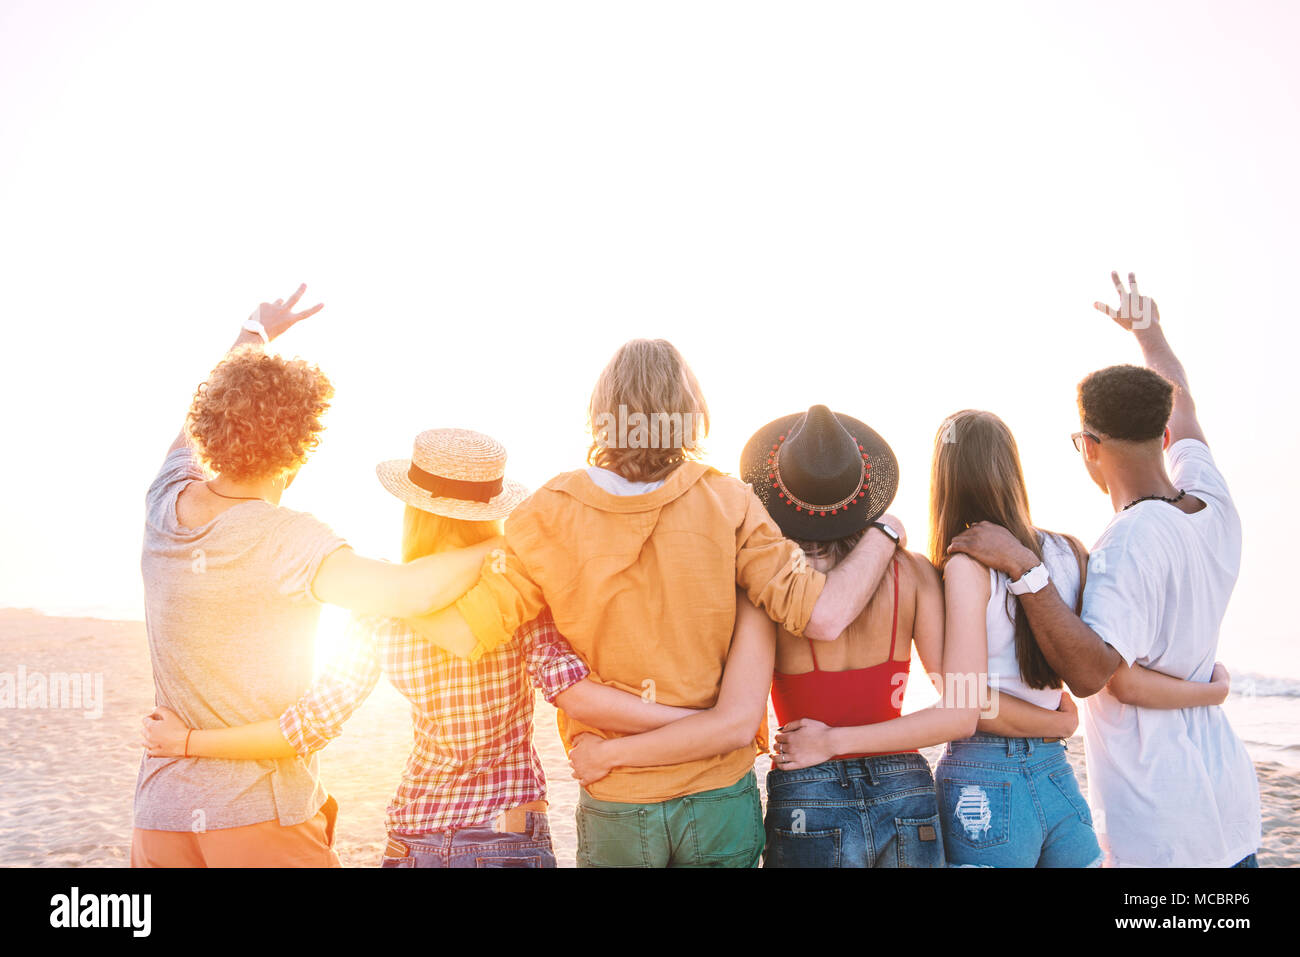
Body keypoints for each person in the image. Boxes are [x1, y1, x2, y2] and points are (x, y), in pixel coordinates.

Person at [407, 341, 903, 867]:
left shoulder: (546, 513)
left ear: (601, 414)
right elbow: (824, 615)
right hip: (717, 791)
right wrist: (886, 533)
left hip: (618, 794)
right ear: (691, 413)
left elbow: (465, 633)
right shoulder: (728, 501)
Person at [143, 428, 706, 867]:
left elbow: (308, 726)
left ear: (413, 508)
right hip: (506, 830)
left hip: (415, 836)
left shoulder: (381, 602)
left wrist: (190, 740)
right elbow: (572, 690)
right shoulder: (516, 591)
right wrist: (683, 721)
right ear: (492, 510)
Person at [133, 289, 497, 868]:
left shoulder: (165, 497)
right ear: (299, 449)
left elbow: (189, 426)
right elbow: (412, 592)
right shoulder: (288, 536)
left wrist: (255, 330)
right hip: (257, 817)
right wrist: (502, 539)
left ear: (210, 426)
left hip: (159, 818)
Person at [949, 271, 1261, 868]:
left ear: (1088, 445)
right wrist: (1151, 334)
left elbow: (1096, 673)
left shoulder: (1126, 542)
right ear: (1164, 433)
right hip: (1229, 803)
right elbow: (1184, 397)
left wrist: (1023, 567)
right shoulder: (1213, 499)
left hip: (1159, 819)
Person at [571, 405, 941, 868]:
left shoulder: (761, 591)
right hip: (905, 786)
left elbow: (731, 714)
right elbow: (962, 711)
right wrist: (887, 532)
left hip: (809, 787)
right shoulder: (915, 574)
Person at [925, 409, 1227, 867]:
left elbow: (963, 701)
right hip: (1055, 772)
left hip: (983, 775)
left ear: (943, 479)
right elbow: (1096, 662)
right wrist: (1056, 723)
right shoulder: (1068, 550)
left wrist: (1055, 722)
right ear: (1011, 469)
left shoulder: (966, 565)